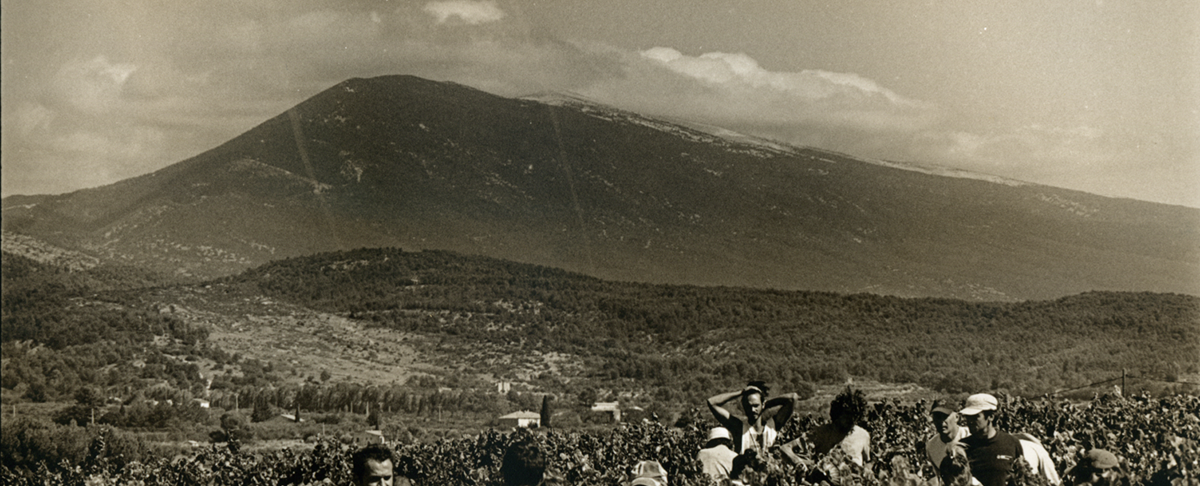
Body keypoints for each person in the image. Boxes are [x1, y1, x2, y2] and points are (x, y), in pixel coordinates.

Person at [784, 386, 871, 467]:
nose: (850, 419)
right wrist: (799, 462)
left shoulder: (863, 435)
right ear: (838, 413)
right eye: (847, 415)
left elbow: (867, 464)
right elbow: (785, 448)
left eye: (854, 415)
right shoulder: (821, 432)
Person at [707, 381, 798, 454]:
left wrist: (766, 404)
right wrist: (741, 392)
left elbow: (793, 398)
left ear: (762, 405)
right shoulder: (739, 428)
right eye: (748, 406)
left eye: (756, 406)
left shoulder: (773, 425)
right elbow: (712, 402)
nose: (752, 410)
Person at [959, 393, 1023, 486]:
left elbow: (1020, 477)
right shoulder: (963, 447)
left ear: (991, 416)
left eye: (976, 416)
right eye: (968, 417)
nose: (970, 421)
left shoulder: (1011, 443)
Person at [926, 401, 971, 484]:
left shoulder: (969, 436)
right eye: (937, 417)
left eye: (945, 416)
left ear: (957, 417)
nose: (941, 421)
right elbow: (939, 478)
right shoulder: (932, 446)